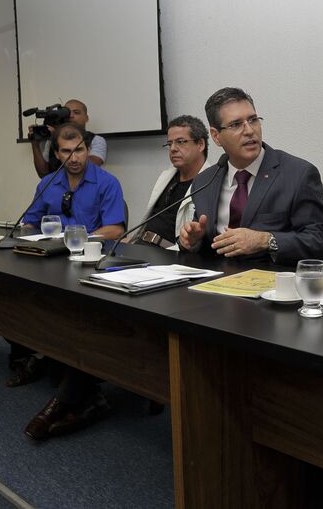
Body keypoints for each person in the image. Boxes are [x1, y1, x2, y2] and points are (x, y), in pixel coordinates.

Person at [18, 123, 125, 440]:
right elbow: (29, 222)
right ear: (57, 153)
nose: (74, 157)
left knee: (79, 319)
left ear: (87, 149)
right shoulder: (48, 183)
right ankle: (51, 365)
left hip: (91, 265)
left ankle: (68, 394)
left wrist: (79, 237)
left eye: (79, 150)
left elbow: (116, 229)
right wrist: (25, 233)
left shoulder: (107, 182)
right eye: (66, 152)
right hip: (52, 263)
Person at [178, 87, 323, 266]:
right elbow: (204, 242)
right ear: (216, 136)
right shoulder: (205, 181)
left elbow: (320, 241)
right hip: (216, 279)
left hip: (272, 280)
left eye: (253, 120)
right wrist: (193, 241)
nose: (249, 130)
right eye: (236, 124)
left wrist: (265, 240)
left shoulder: (298, 175)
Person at [129, 115, 210, 249]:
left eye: (180, 142)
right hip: (141, 245)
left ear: (200, 144)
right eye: (169, 143)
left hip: (170, 253)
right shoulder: (166, 176)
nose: (173, 148)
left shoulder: (210, 182)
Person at [29, 98, 107, 177]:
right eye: (67, 113)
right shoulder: (52, 140)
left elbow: (89, 169)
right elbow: (43, 174)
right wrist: (35, 144)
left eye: (76, 112)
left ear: (86, 118)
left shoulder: (96, 140)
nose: (71, 116)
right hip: (55, 185)